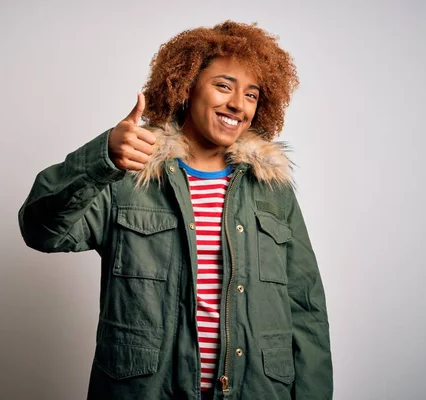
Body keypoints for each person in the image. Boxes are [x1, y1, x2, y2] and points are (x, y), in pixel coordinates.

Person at [18, 20, 333, 400]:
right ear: (185, 87)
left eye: (252, 94)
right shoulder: (128, 174)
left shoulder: (271, 188)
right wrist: (101, 158)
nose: (238, 104)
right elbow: (42, 231)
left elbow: (305, 306)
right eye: (223, 86)